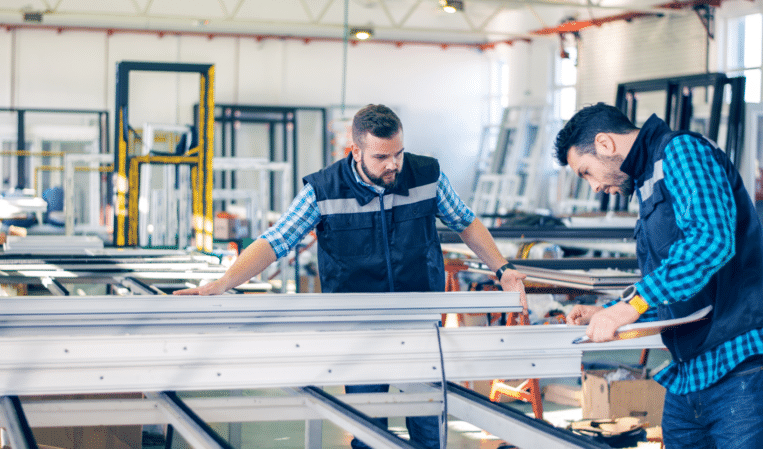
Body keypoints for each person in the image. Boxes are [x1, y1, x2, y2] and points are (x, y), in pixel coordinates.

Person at [175, 104, 527, 449]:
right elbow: (276, 241)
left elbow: (465, 221)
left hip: (419, 322)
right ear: (355, 150)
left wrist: (503, 269)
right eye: (381, 157)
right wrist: (223, 283)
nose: (393, 165)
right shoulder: (324, 190)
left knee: (428, 426)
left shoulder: (426, 175)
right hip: (360, 330)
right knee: (368, 429)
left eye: (398, 153)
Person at [555, 103, 763, 449]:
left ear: (605, 144)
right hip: (691, 375)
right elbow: (680, 288)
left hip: (741, 363)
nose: (593, 186)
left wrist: (631, 306)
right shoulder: (648, 181)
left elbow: (710, 240)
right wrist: (613, 311)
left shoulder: (681, 152)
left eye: (586, 172)